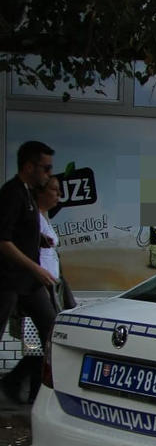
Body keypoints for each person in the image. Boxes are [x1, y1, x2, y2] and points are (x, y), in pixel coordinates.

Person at [4, 176, 72, 402]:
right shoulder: (31, 216)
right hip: (36, 283)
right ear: (40, 193)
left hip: (48, 284)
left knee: (49, 336)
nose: (58, 195)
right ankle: (26, 385)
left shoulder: (41, 218)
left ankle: (28, 387)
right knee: (50, 335)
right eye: (54, 190)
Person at [0, 141, 58, 404]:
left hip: (30, 282)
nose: (48, 175)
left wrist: (40, 243)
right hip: (10, 281)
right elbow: (3, 241)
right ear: (29, 166)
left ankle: (38, 391)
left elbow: (23, 234)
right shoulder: (12, 193)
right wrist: (36, 267)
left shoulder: (29, 195)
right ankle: (15, 384)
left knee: (52, 330)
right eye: (45, 168)